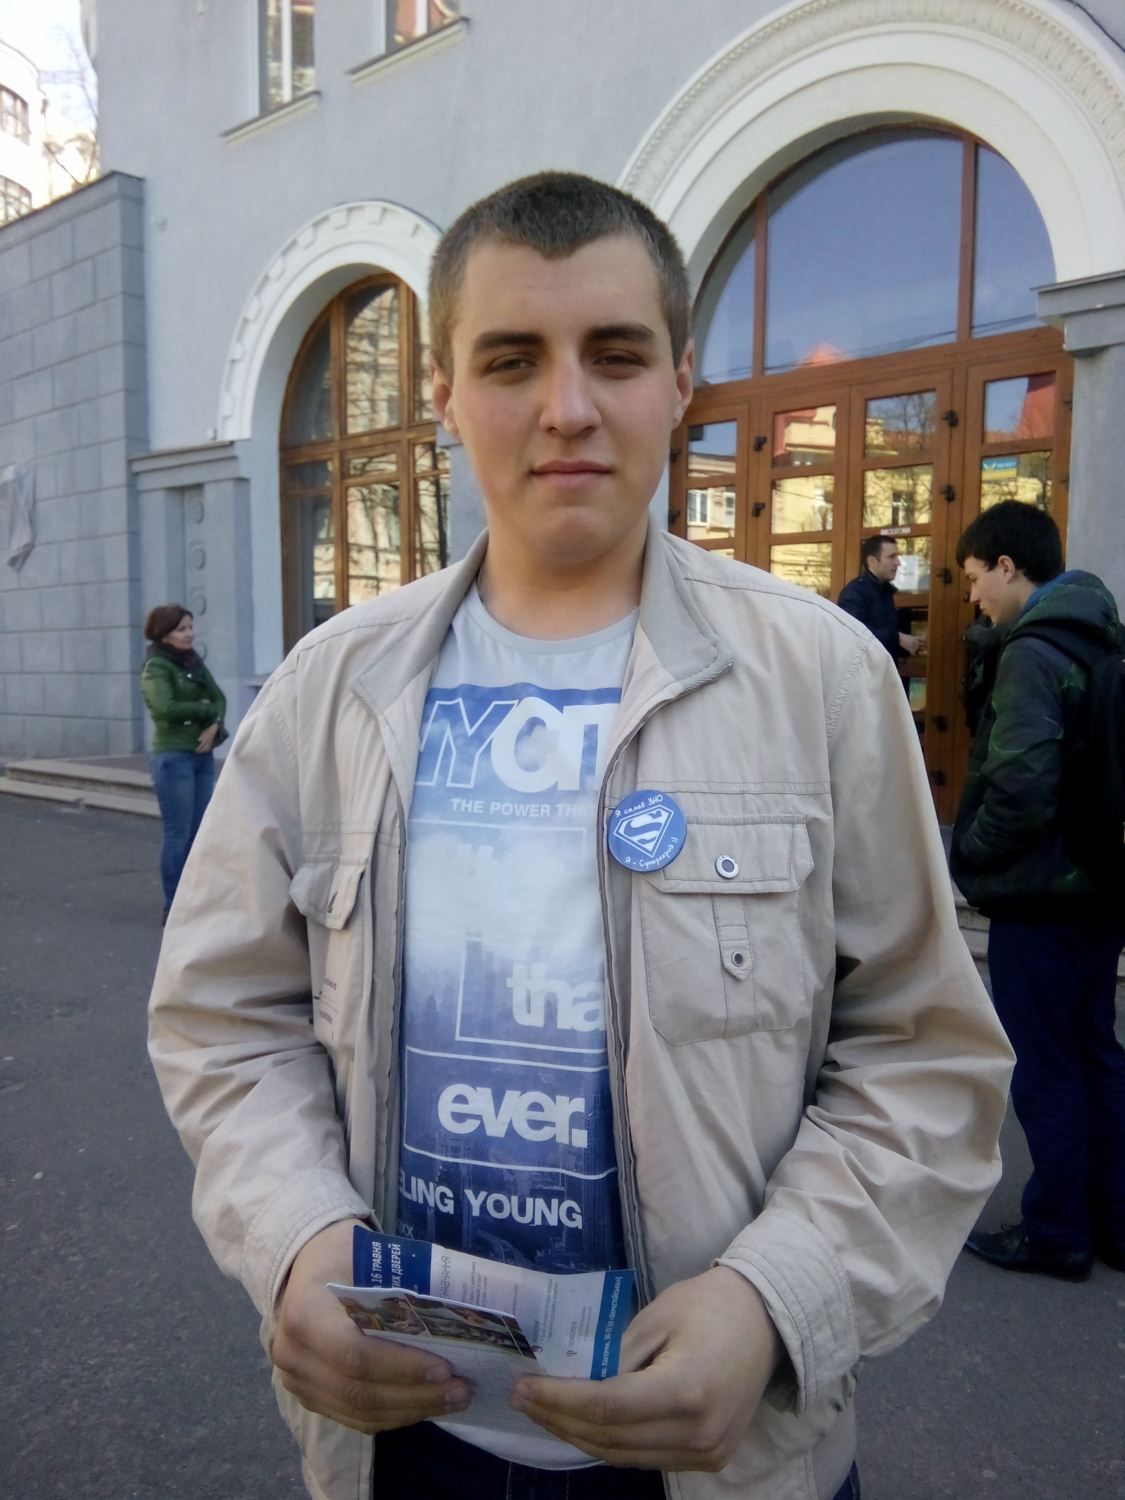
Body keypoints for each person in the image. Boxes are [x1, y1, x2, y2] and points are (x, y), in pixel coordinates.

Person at [148, 173, 1013, 1500]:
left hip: (721, 1447)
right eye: (511, 361)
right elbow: (224, 1019)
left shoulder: (820, 682)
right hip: (404, 1441)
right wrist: (299, 1242)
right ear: (444, 395)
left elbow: (924, 1051)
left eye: (614, 354)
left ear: (679, 382)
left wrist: (774, 1301)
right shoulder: (327, 693)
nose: (566, 407)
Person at [951, 500, 1125, 1282]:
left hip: (1040, 896)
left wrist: (970, 858)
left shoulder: (1032, 652)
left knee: (1047, 1064)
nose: (972, 596)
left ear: (1007, 566)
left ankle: (1055, 1231)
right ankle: (1110, 1221)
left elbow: (1020, 786)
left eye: (974, 577)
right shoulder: (1100, 634)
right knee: (1095, 1052)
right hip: (1100, 887)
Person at [140, 604, 226, 921]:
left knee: (200, 832)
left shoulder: (192, 661)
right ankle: (174, 905)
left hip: (201, 755)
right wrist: (205, 711)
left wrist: (214, 725)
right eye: (181, 629)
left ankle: (196, 900)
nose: (189, 634)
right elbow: (166, 708)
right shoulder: (157, 666)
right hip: (173, 757)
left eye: (190, 627)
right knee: (178, 834)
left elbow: (219, 698)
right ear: (164, 634)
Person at [836, 536, 923, 666]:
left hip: (882, 671)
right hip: (865, 673)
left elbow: (884, 638)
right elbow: (852, 634)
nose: (898, 562)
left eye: (897, 556)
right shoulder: (854, 593)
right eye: (891, 557)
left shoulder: (884, 591)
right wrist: (898, 638)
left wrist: (908, 643)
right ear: (872, 561)